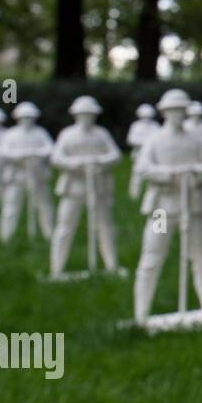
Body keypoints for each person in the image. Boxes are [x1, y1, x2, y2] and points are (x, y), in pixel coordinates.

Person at [134, 89, 202, 323]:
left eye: (182, 110)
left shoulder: (195, 138)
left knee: (200, 256)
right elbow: (143, 167)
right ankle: (141, 314)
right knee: (153, 255)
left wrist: (196, 172)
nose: (178, 115)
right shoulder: (154, 139)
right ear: (164, 112)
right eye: (173, 111)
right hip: (163, 208)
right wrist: (170, 175)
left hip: (192, 207)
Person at [50, 96, 122, 277]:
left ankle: (111, 265)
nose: (86, 118)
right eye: (83, 114)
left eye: (90, 115)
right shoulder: (67, 134)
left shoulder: (102, 134)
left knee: (105, 226)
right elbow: (56, 157)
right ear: (76, 115)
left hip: (98, 186)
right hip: (73, 187)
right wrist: (76, 164)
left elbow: (115, 155)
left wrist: (99, 161)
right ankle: (57, 268)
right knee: (65, 226)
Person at [0, 101, 54, 243]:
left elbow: (50, 148)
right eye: (24, 117)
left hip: (37, 175)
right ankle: (6, 235)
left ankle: (48, 233)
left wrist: (36, 154)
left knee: (44, 205)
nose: (27, 120)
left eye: (29, 117)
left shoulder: (40, 132)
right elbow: (5, 152)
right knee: (11, 206)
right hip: (16, 176)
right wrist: (21, 155)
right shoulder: (11, 134)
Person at [126, 104, 161, 200]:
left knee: (152, 174)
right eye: (144, 116)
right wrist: (146, 143)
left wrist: (147, 143)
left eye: (148, 116)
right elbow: (131, 139)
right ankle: (134, 195)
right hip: (139, 154)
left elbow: (158, 139)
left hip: (152, 155)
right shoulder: (136, 126)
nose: (146, 119)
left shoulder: (155, 126)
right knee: (137, 174)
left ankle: (151, 195)